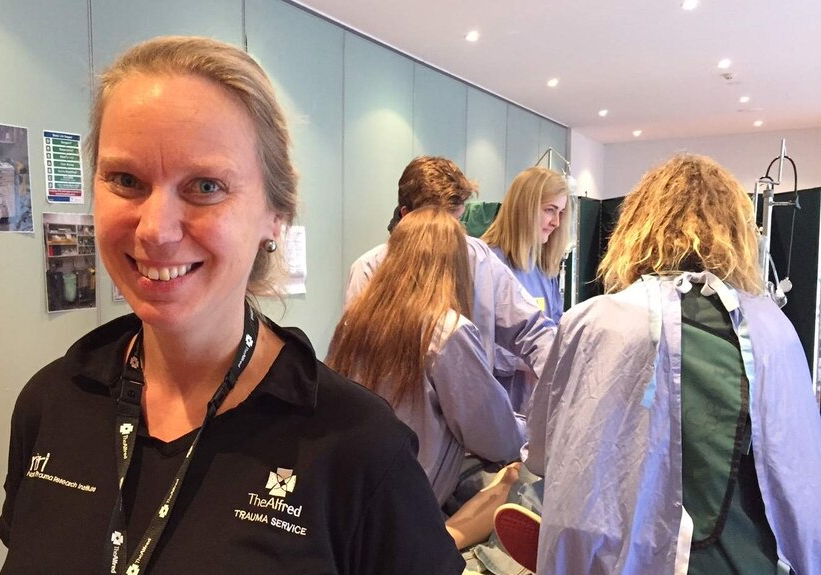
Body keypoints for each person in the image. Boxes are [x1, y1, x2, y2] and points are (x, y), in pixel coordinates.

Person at [0, 36, 464, 575]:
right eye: (126, 180)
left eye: (206, 186)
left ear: (275, 216)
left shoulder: (359, 450)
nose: (154, 229)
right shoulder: (51, 404)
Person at [522, 154, 821, 574]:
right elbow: (801, 478)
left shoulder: (594, 323)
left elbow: (545, 454)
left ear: (637, 226)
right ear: (736, 231)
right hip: (743, 560)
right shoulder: (774, 330)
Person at [327, 207, 526, 546]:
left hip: (349, 499)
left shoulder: (353, 324)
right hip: (409, 506)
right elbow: (496, 438)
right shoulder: (448, 331)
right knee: (515, 480)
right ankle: (432, 549)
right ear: (454, 264)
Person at [345, 156, 556, 386]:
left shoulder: (480, 259)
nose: (451, 235)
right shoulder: (369, 269)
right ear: (406, 216)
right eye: (440, 225)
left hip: (472, 412)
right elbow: (358, 363)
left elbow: (534, 331)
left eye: (456, 221)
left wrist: (562, 382)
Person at [481, 167, 571, 412]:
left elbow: (554, 327)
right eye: (549, 210)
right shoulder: (487, 263)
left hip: (534, 403)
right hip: (497, 405)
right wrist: (525, 360)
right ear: (525, 208)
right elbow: (475, 345)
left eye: (561, 212)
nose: (556, 222)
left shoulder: (544, 267)